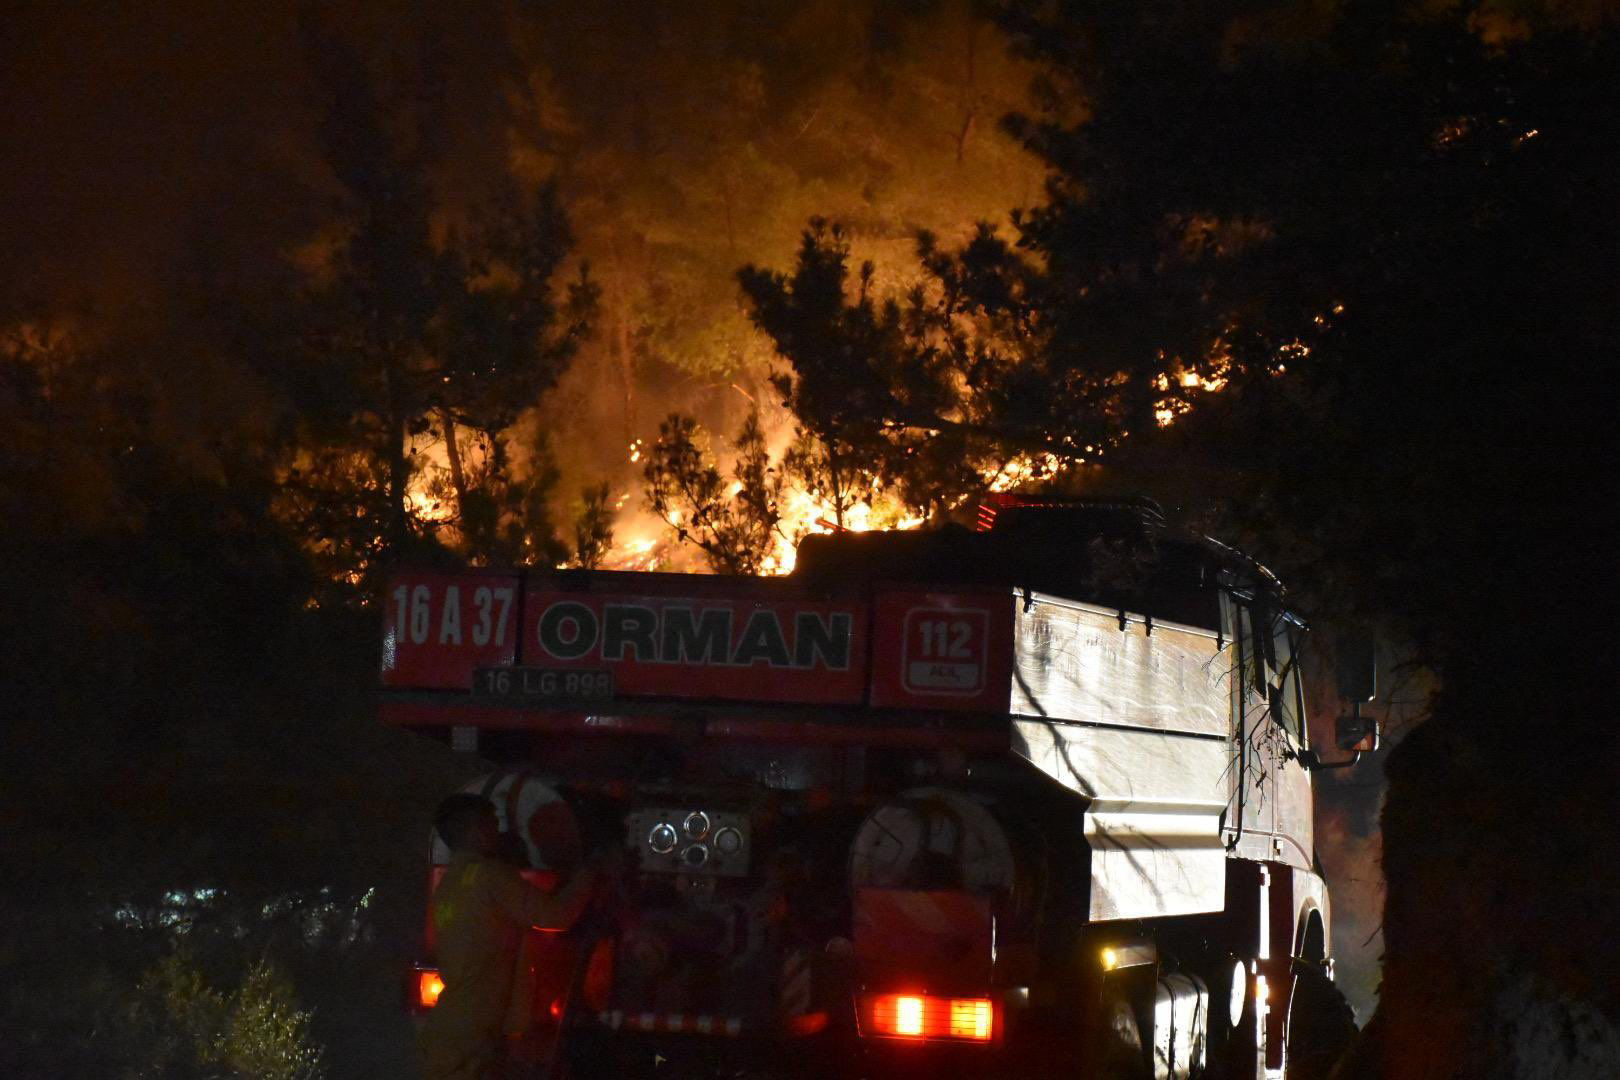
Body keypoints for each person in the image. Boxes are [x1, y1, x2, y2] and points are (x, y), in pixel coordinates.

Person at [421, 793, 597, 1080]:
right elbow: (555, 915)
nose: (498, 831)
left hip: (455, 1024)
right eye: (492, 823)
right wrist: (591, 873)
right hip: (477, 1027)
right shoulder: (490, 876)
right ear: (477, 829)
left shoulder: (449, 885)